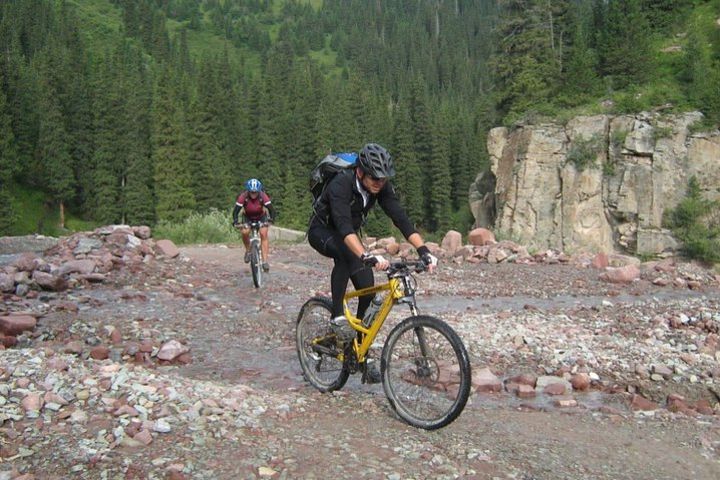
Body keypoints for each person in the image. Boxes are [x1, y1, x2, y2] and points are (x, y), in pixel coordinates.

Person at [307, 143, 438, 382]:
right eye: (375, 177)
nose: (380, 182)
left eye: (384, 178)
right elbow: (344, 227)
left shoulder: (381, 186)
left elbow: (401, 218)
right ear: (360, 172)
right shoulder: (341, 184)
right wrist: (366, 254)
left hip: (348, 236)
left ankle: (360, 356)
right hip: (323, 231)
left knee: (367, 291)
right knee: (347, 255)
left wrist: (423, 249)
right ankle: (337, 315)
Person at [233, 178, 276, 272]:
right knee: (245, 232)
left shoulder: (263, 196)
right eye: (251, 192)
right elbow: (236, 211)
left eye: (255, 192)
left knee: (263, 233)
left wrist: (271, 220)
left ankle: (264, 261)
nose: (253, 194)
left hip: (261, 217)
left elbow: (271, 209)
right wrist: (236, 221)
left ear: (259, 191)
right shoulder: (243, 196)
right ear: (248, 191)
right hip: (247, 217)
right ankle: (248, 251)